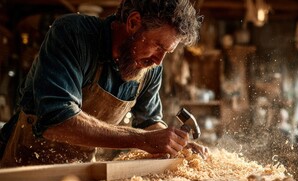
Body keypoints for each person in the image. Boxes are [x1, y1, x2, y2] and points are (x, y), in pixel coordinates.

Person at [0, 0, 207, 168]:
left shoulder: (150, 67)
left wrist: (178, 146)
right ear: (133, 22)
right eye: (157, 46)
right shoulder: (74, 35)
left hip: (80, 172)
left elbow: (149, 122)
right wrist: (142, 139)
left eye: (166, 53)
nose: (158, 61)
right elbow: (57, 121)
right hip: (26, 169)